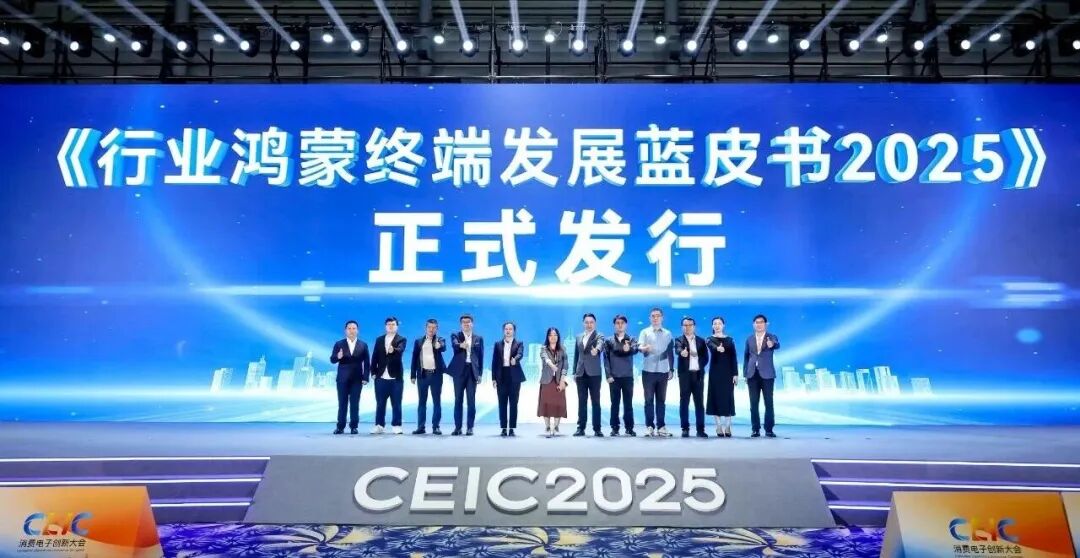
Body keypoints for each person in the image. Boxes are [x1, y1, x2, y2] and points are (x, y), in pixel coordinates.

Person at [638, 307, 674, 437]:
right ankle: (649, 426)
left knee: (661, 400)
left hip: (663, 371)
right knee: (648, 400)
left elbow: (670, 352)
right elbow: (639, 346)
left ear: (662, 318)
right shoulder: (645, 332)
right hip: (648, 371)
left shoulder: (668, 333)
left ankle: (661, 427)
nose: (655, 318)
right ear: (650, 318)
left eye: (658, 316)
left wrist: (671, 369)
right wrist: (644, 348)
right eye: (653, 316)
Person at [330, 320, 369, 435]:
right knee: (342, 403)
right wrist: (338, 356)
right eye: (349, 328)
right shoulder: (339, 344)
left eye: (354, 328)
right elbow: (332, 359)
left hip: (357, 379)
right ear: (345, 330)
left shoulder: (363, 345)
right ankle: (340, 427)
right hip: (342, 379)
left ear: (357, 330)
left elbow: (367, 363)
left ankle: (354, 427)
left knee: (355, 404)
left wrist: (365, 377)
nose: (351, 331)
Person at [744, 314, 780, 438]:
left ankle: (769, 429)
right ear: (753, 324)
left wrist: (772, 344)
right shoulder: (749, 339)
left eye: (761, 322)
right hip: (752, 374)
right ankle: (755, 429)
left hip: (767, 374)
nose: (759, 324)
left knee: (768, 402)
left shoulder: (771, 336)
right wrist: (745, 373)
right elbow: (746, 357)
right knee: (753, 403)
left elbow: (777, 344)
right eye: (757, 322)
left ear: (766, 324)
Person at [448, 314, 484, 436]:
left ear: (472, 324)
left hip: (472, 372)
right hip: (459, 372)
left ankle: (470, 427)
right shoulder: (456, 336)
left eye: (468, 322)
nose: (466, 324)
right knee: (458, 400)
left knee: (471, 401)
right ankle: (457, 428)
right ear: (461, 324)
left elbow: (481, 357)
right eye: (464, 322)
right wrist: (461, 345)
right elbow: (455, 345)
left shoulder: (478, 338)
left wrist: (480, 374)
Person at [371, 317, 407, 435]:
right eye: (388, 324)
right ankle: (379, 425)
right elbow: (375, 356)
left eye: (393, 324)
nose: (391, 326)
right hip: (381, 377)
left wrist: (393, 350)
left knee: (396, 403)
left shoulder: (401, 339)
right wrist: (373, 372)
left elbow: (400, 350)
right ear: (385, 326)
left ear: (397, 326)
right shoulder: (379, 340)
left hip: (396, 378)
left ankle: (396, 425)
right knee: (380, 403)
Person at [410, 318, 446, 435]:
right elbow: (414, 358)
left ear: (437, 329)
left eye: (434, 327)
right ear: (426, 328)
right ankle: (421, 427)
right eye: (429, 327)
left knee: (437, 402)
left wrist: (438, 345)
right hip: (422, 375)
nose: (431, 329)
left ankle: (436, 427)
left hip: (436, 375)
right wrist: (413, 375)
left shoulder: (440, 339)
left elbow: (443, 347)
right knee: (422, 402)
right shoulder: (418, 341)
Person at [603, 314, 638, 437]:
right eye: (617, 323)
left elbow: (635, 349)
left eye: (622, 323)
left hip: (628, 376)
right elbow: (606, 359)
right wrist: (608, 375)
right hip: (614, 377)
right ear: (614, 325)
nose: (620, 325)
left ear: (626, 325)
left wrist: (629, 349)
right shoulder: (608, 341)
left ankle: (629, 428)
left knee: (628, 404)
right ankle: (615, 428)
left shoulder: (631, 339)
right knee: (614, 404)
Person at [676, 317, 710, 438]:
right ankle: (685, 429)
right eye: (685, 325)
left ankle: (700, 429)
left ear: (694, 326)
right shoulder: (679, 340)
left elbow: (706, 358)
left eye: (690, 325)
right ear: (682, 327)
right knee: (684, 402)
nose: (688, 327)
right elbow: (678, 348)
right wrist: (682, 352)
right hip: (685, 375)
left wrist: (699, 364)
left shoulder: (701, 341)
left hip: (698, 375)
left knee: (699, 403)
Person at [705, 317, 739, 437]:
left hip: (728, 373)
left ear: (723, 325)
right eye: (715, 323)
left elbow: (734, 357)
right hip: (715, 372)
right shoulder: (709, 339)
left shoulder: (730, 340)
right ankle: (718, 426)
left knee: (728, 398)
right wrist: (717, 348)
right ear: (712, 326)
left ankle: (728, 426)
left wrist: (735, 374)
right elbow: (711, 346)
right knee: (715, 397)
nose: (717, 325)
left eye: (719, 323)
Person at [572, 313, 605, 437]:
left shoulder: (599, 335)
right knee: (582, 402)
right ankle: (580, 428)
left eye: (591, 322)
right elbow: (576, 355)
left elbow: (600, 343)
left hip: (594, 374)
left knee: (595, 402)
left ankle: (597, 429)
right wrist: (574, 372)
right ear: (583, 323)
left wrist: (597, 350)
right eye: (586, 322)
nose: (589, 324)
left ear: (595, 323)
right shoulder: (578, 337)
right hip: (581, 373)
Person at [491, 322, 525, 437]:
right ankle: (504, 428)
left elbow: (520, 354)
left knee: (514, 403)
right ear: (503, 330)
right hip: (501, 376)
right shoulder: (497, 344)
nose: (508, 331)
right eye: (506, 329)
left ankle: (512, 428)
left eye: (510, 329)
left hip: (514, 376)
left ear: (514, 331)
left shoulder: (519, 343)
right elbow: (494, 362)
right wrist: (493, 378)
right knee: (502, 403)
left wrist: (515, 359)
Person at [538, 327, 568, 438]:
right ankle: (547, 426)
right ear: (547, 337)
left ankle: (556, 426)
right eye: (550, 335)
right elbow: (545, 358)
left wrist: (562, 380)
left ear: (558, 336)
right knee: (545, 404)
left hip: (558, 380)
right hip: (547, 380)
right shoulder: (544, 348)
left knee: (558, 404)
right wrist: (551, 365)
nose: (553, 337)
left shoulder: (563, 349)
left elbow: (565, 365)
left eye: (555, 335)